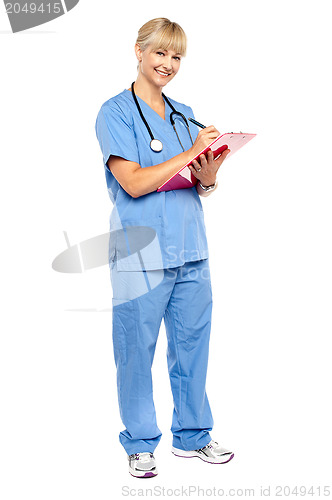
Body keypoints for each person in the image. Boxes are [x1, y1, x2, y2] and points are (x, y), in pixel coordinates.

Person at [95, 18, 233, 478]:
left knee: (193, 347)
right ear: (138, 51)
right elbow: (133, 182)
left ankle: (193, 436)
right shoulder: (115, 112)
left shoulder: (184, 113)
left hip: (191, 248)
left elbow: (192, 182)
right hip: (141, 254)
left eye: (176, 57)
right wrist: (190, 152)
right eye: (160, 53)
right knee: (136, 350)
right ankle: (139, 442)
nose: (168, 64)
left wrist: (207, 176)